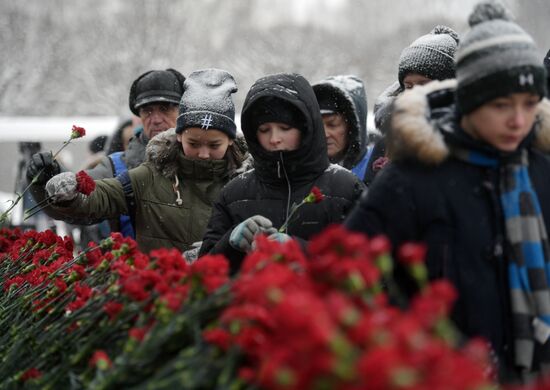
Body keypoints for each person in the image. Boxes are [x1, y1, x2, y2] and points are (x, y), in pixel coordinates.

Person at [345, 1, 550, 383]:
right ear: (468, 100)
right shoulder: (413, 175)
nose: (518, 120)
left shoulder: (541, 170)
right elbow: (350, 263)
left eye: (529, 104)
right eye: (501, 104)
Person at [42, 68, 248, 254]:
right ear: (180, 135)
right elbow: (101, 195)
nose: (203, 153)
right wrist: (68, 190)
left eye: (214, 146)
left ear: (230, 140)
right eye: (193, 143)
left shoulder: (247, 180)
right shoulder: (150, 173)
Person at [199, 73, 365, 274]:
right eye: (264, 129)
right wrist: (230, 244)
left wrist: (302, 251)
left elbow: (367, 267)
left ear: (306, 127)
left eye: (285, 128)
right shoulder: (234, 193)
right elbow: (203, 274)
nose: (274, 138)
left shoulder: (345, 188)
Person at [27, 69, 186, 237]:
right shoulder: (117, 168)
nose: (155, 119)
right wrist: (49, 183)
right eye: (147, 110)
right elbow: (77, 208)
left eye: (165, 108)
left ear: (184, 111)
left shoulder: (204, 158)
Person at [365, 25, 459, 186]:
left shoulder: (466, 140)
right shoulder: (388, 143)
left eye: (423, 85)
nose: (414, 94)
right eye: (408, 86)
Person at [312, 75, 371, 182]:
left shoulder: (377, 169)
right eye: (318, 125)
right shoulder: (299, 173)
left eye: (332, 124)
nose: (324, 134)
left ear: (352, 128)